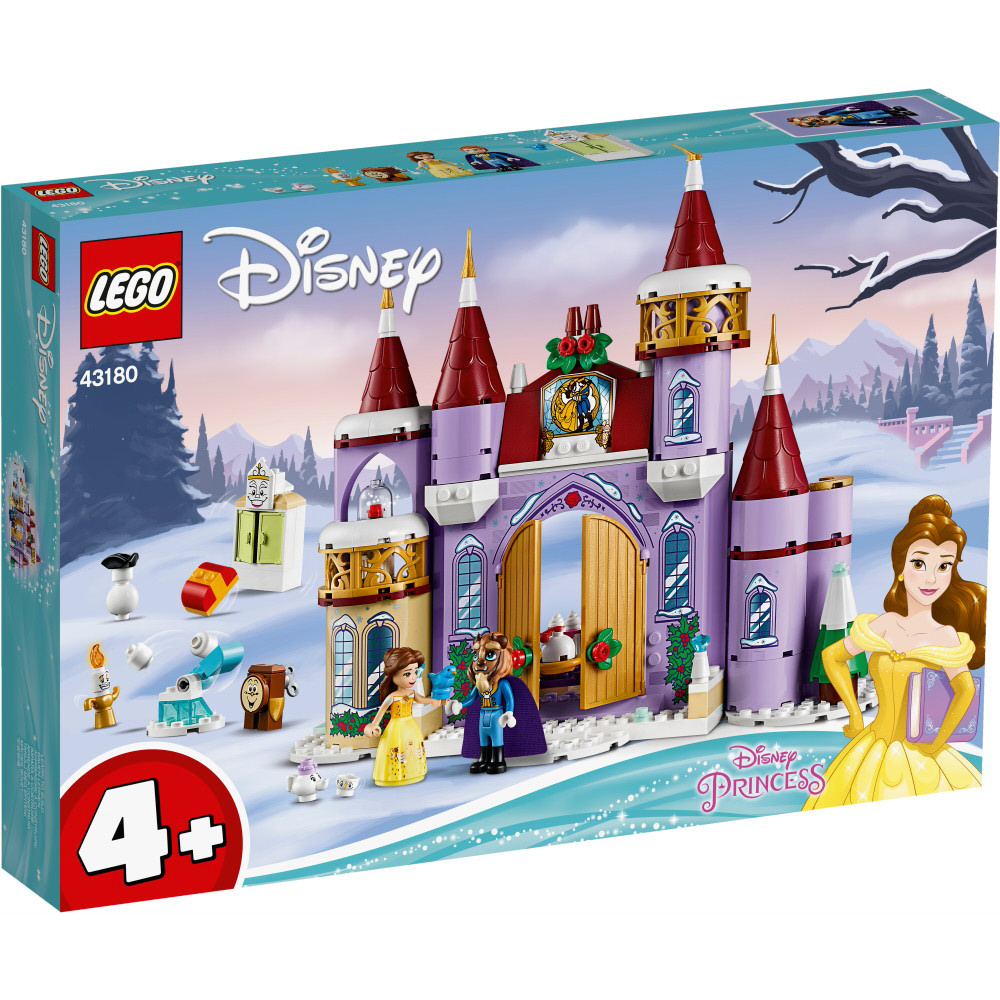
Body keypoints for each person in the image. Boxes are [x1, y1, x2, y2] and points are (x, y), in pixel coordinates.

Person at [803, 496, 985, 808]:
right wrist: (855, 714)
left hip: (923, 749)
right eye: (919, 563)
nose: (931, 578)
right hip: (873, 743)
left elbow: (965, 690)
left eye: (944, 566)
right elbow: (832, 656)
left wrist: (939, 739)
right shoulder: (886, 624)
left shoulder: (945, 635)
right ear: (900, 567)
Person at [363, 647, 443, 786]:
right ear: (393, 675)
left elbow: (422, 699)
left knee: (413, 747)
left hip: (410, 725)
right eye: (407, 674)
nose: (413, 677)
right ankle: (395, 776)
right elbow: (381, 712)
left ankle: (414, 773)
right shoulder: (392, 697)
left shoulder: (411, 693)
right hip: (396, 727)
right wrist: (373, 725)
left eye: (415, 672)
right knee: (397, 748)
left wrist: (432, 701)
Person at [404, 151, 475, 179]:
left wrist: (454, 163)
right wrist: (420, 167)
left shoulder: (436, 159)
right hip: (434, 167)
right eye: (421, 156)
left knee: (454, 168)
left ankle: (461, 173)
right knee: (444, 171)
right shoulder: (422, 161)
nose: (426, 157)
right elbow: (420, 164)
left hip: (443, 165)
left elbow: (445, 161)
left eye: (428, 155)